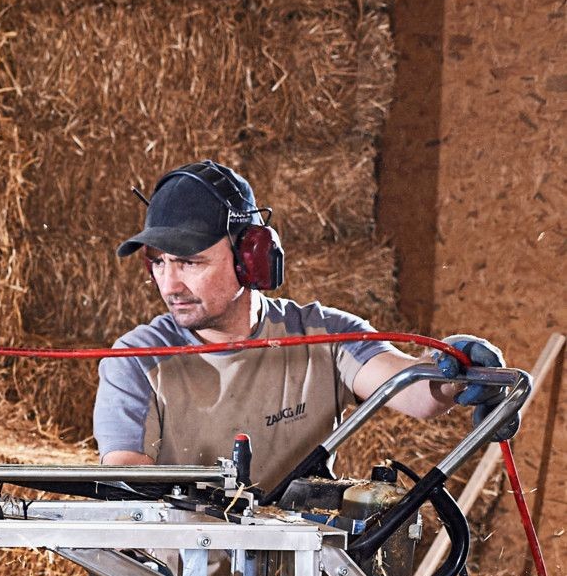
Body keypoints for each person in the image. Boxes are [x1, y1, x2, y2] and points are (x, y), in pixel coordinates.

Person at [94, 160, 500, 493]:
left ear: (250, 258)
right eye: (158, 262)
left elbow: (415, 392)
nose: (169, 284)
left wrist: (454, 373)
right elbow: (128, 482)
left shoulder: (322, 337)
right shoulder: (135, 360)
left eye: (189, 262)